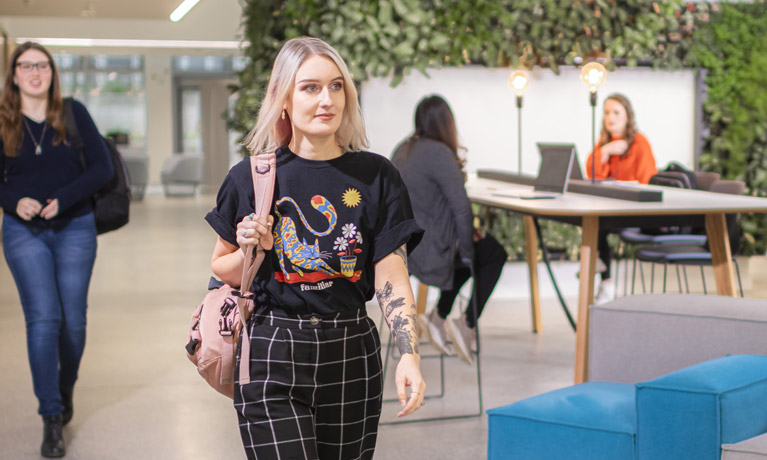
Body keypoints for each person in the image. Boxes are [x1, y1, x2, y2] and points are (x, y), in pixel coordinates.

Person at [205, 37, 425, 460]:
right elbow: (221, 268)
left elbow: (392, 276)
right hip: (272, 346)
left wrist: (409, 354)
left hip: (352, 349)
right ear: (284, 98)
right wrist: (254, 249)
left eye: (336, 86)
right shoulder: (251, 177)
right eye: (310, 87)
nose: (327, 99)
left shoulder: (377, 177)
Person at [0, 42, 113, 458]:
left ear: (52, 73)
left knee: (74, 326)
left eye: (42, 66)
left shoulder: (72, 111)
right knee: (44, 321)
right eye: (26, 66)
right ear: (13, 75)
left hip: (74, 227)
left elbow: (102, 168)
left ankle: (65, 392)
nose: (35, 73)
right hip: (22, 230)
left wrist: (62, 199)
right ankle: (51, 416)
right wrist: (14, 201)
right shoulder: (2, 120)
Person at [391, 95, 508, 365]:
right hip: (431, 250)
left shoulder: (404, 148)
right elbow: (461, 208)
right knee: (492, 254)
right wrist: (467, 249)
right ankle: (466, 324)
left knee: (474, 251)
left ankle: (438, 317)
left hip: (406, 249)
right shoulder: (439, 153)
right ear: (447, 123)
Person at [585, 93, 658, 304]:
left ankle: (599, 270)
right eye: (607, 112)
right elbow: (592, 176)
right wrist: (604, 153)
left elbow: (647, 182)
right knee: (595, 220)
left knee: (599, 223)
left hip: (636, 213)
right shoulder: (604, 144)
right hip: (612, 211)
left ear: (628, 117)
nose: (611, 118)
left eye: (616, 112)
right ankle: (605, 280)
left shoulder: (640, 143)